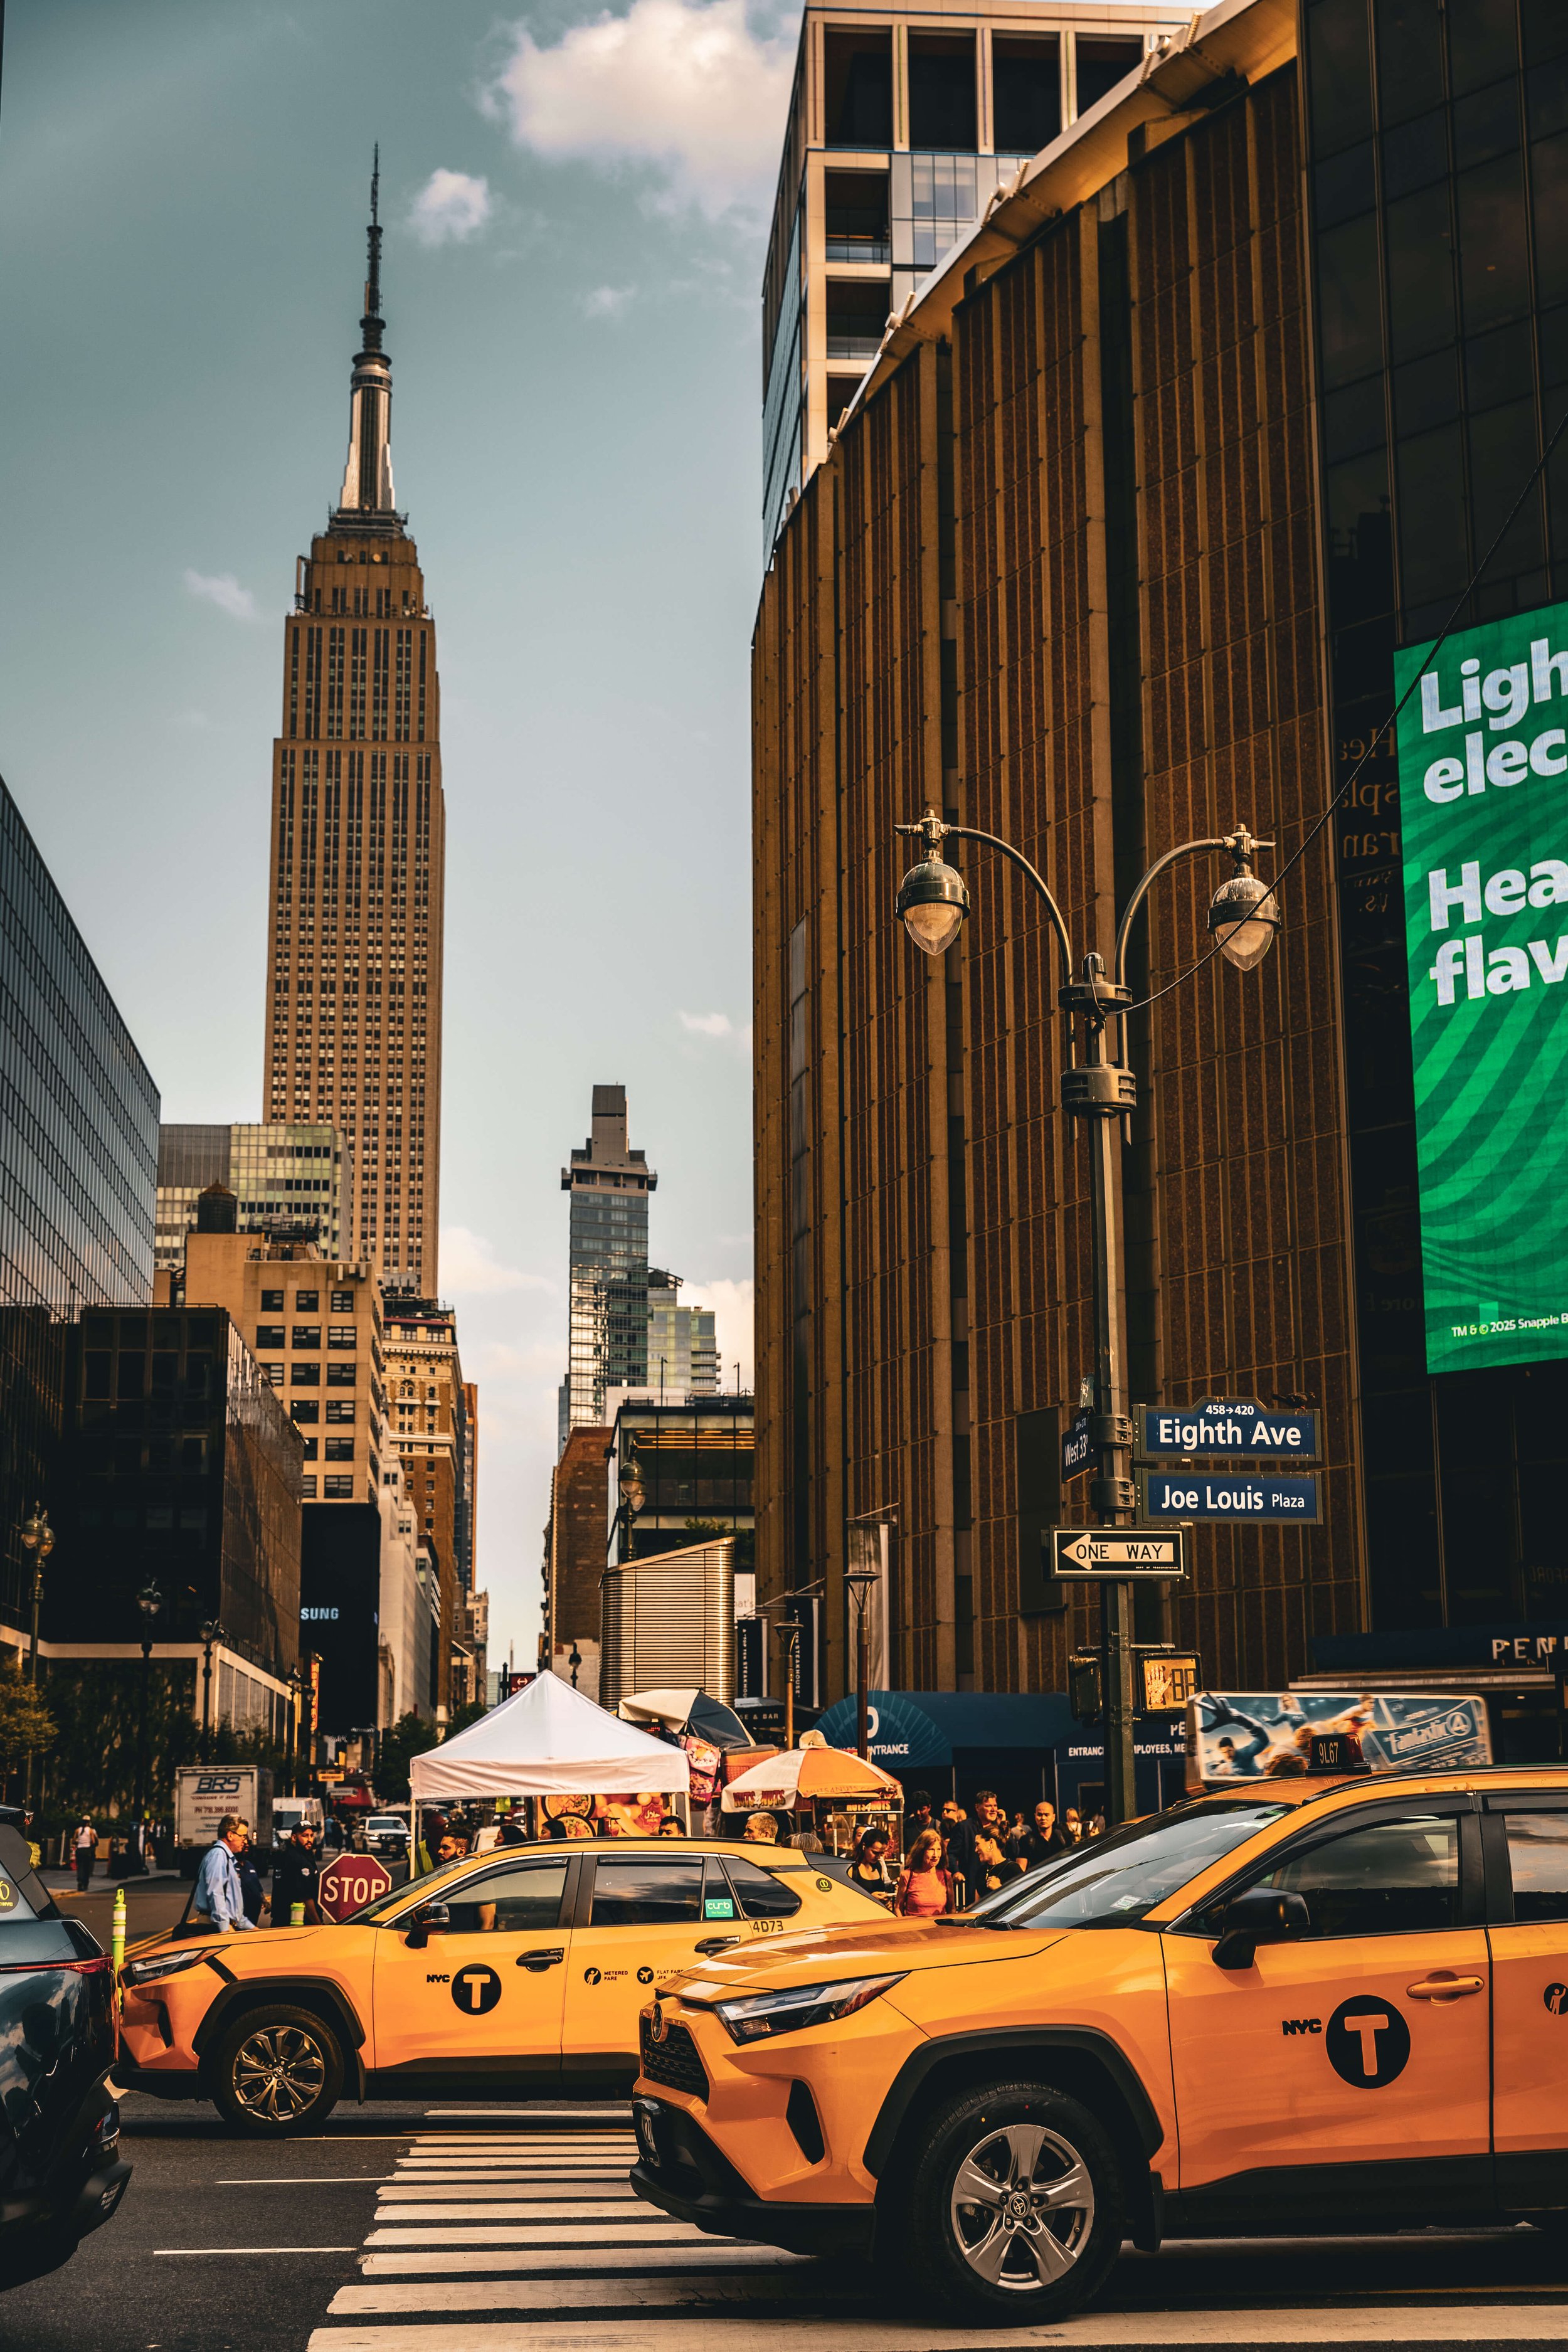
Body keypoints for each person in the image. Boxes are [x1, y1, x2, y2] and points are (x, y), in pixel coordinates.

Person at [192, 1816, 257, 1935]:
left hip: (226, 1924)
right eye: (243, 1836)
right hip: (216, 1926)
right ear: (230, 1835)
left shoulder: (227, 1858)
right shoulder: (218, 1855)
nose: (245, 1841)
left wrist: (251, 1928)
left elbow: (232, 1905)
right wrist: (224, 1928)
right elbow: (216, 1893)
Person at [894, 1828, 954, 1917]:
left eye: (939, 1849)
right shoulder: (907, 1876)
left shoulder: (946, 1876)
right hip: (914, 1929)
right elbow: (898, 1908)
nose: (936, 1855)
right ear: (921, 1851)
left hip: (939, 1930)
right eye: (931, 1850)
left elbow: (951, 1909)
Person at [271, 1821, 322, 1925]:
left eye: (311, 1836)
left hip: (282, 1921)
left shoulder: (295, 1855)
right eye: (305, 1836)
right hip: (297, 1924)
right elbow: (305, 1897)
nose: (309, 1840)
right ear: (294, 1838)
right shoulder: (297, 1860)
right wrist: (319, 1924)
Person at [1015, 1799, 1071, 1871]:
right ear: (1035, 1816)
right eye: (1040, 1815)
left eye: (1047, 1815)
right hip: (1038, 1881)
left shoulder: (1063, 1837)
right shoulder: (1027, 1840)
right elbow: (1021, 1870)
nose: (1043, 1818)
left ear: (1053, 1817)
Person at [847, 1828, 893, 1901]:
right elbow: (845, 1897)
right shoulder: (851, 1867)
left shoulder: (878, 1866)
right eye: (875, 1853)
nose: (878, 1857)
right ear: (864, 1847)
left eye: (882, 1853)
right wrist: (870, 1898)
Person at [73, 1817, 96, 1894]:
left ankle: (80, 1881)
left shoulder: (77, 1830)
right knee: (86, 1868)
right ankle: (85, 1884)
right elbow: (93, 1841)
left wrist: (79, 1843)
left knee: (80, 1867)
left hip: (79, 1850)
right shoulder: (90, 1830)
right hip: (87, 1850)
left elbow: (74, 1840)